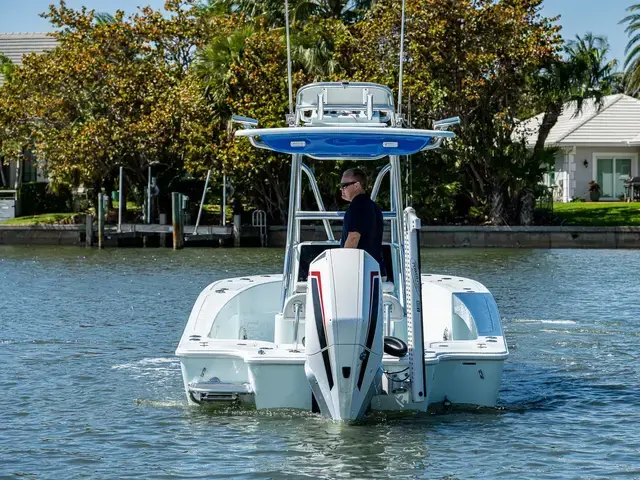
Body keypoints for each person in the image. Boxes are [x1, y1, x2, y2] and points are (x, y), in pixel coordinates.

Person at [339, 168, 386, 277]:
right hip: (376, 270)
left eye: (344, 185)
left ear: (356, 185)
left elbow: (353, 237)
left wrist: (342, 268)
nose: (341, 189)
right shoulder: (373, 206)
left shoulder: (356, 207)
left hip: (361, 273)